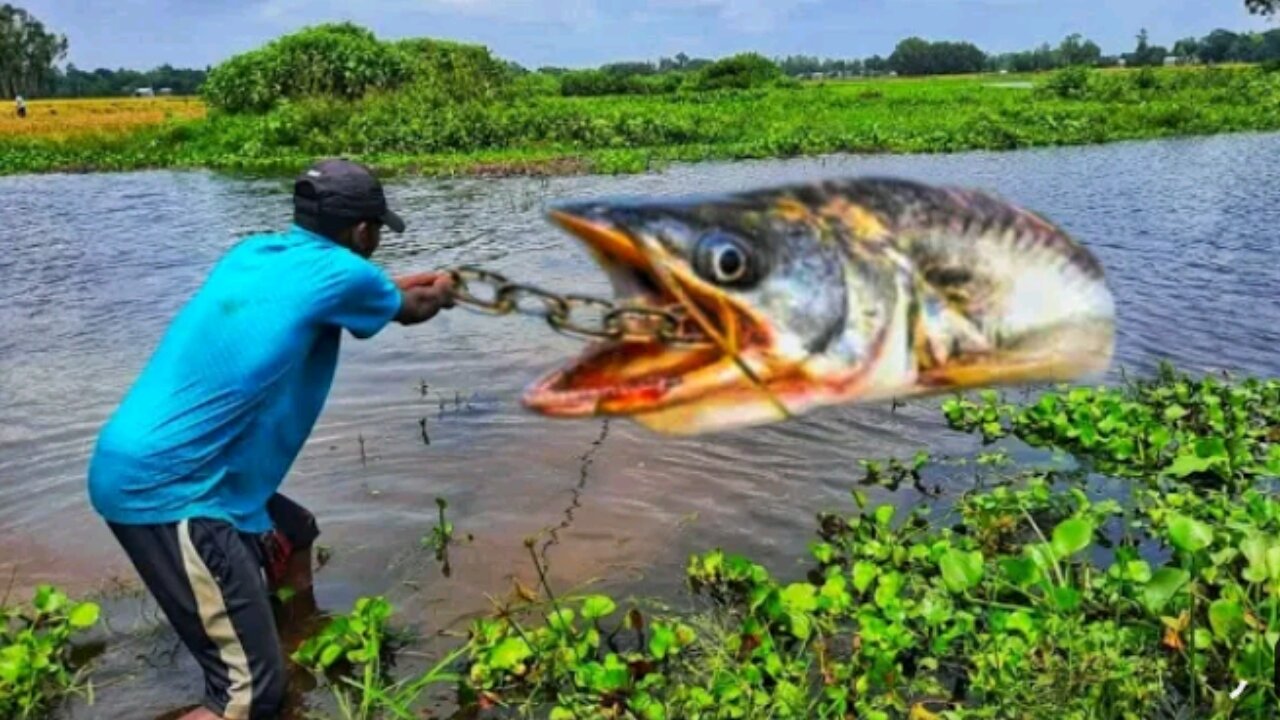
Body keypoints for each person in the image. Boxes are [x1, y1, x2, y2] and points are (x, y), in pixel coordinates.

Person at [87, 158, 456, 720]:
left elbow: (354, 292)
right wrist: (446, 288)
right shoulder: (346, 277)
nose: (377, 239)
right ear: (363, 232)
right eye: (377, 229)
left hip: (153, 460)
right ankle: (260, 668)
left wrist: (395, 283)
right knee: (250, 698)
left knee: (294, 533)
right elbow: (413, 307)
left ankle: (292, 637)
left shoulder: (254, 254)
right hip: (172, 491)